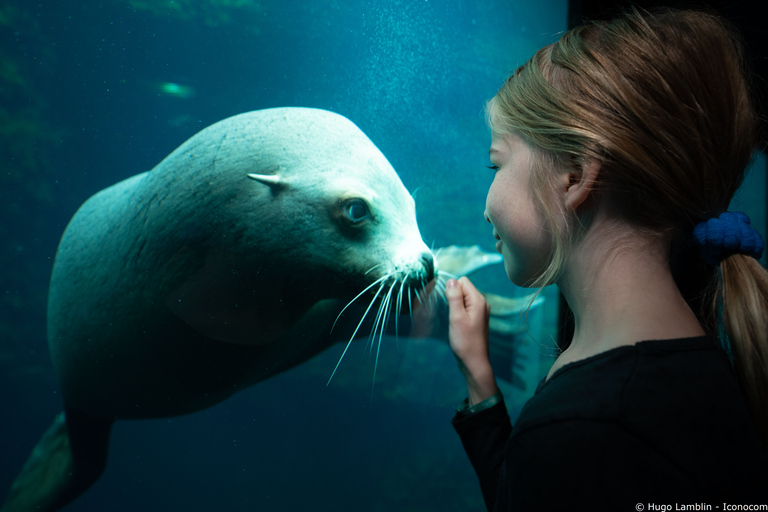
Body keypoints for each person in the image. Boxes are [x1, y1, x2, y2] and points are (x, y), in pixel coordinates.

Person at [445, 7, 768, 510]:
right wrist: (481, 383)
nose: (485, 206)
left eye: (497, 163)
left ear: (574, 175)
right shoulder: (681, 373)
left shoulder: (584, 428)